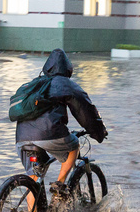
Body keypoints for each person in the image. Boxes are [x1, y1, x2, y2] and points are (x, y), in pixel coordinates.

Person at [15, 49, 107, 200]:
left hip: (22, 138)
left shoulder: (35, 84)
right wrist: (98, 132)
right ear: (67, 68)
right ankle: (60, 185)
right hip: (48, 133)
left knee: (34, 178)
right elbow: (85, 109)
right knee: (74, 144)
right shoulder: (63, 83)